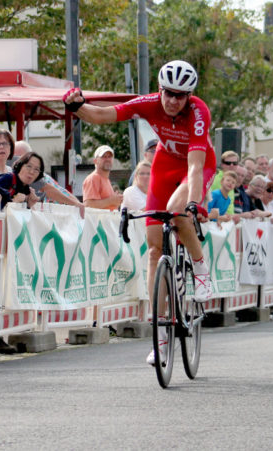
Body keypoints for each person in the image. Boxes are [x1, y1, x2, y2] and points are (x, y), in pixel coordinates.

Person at [63, 60, 215, 365]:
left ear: (189, 96)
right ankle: (159, 335)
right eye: (168, 93)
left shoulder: (199, 112)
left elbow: (196, 167)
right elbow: (105, 114)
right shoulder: (149, 104)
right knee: (153, 249)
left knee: (176, 212)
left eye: (180, 95)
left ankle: (200, 267)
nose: (173, 101)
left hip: (194, 166)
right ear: (159, 90)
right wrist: (77, 107)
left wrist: (195, 203)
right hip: (164, 163)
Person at [81, 145, 123, 211]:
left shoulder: (106, 180)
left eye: (110, 156)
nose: (107, 159)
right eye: (103, 156)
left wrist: (116, 201)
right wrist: (111, 201)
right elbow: (88, 205)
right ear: (95, 161)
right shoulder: (93, 178)